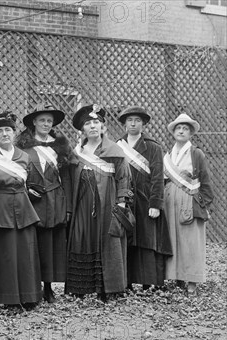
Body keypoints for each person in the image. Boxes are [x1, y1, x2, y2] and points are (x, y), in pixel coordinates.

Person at [66, 104, 131, 301]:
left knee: (107, 241)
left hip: (107, 202)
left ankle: (108, 289)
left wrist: (121, 202)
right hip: (82, 203)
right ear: (82, 129)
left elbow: (124, 178)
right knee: (82, 238)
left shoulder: (114, 150)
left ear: (102, 126)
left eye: (96, 122)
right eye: (88, 123)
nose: (93, 126)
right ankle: (82, 287)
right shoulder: (77, 152)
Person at [0, 111, 42, 308]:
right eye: (0, 131)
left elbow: (31, 181)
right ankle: (4, 297)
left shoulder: (23, 155)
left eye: (8, 130)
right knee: (4, 253)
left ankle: (28, 295)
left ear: (14, 133)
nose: (5, 134)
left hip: (23, 207)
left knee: (25, 252)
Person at [16, 104, 73, 303]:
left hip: (55, 199)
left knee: (51, 245)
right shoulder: (23, 146)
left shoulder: (60, 146)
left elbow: (67, 177)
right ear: (34, 122)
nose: (46, 124)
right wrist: (25, 192)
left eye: (49, 121)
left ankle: (49, 287)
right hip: (33, 200)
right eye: (42, 120)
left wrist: (67, 206)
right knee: (34, 243)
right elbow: (16, 174)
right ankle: (33, 287)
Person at [116, 106, 172, 291]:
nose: (133, 123)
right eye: (130, 120)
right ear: (124, 123)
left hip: (146, 199)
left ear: (143, 124)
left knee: (148, 241)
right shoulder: (117, 146)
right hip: (125, 199)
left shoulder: (153, 146)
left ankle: (149, 283)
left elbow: (157, 177)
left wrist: (155, 204)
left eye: (137, 120)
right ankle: (127, 282)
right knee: (127, 239)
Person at [163, 114, 214, 294]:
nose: (181, 131)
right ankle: (177, 276)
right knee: (174, 239)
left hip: (190, 202)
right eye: (178, 128)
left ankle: (192, 280)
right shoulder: (168, 154)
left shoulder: (196, 153)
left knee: (191, 241)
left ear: (190, 132)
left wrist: (204, 204)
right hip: (170, 202)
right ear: (173, 132)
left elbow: (205, 180)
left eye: (185, 128)